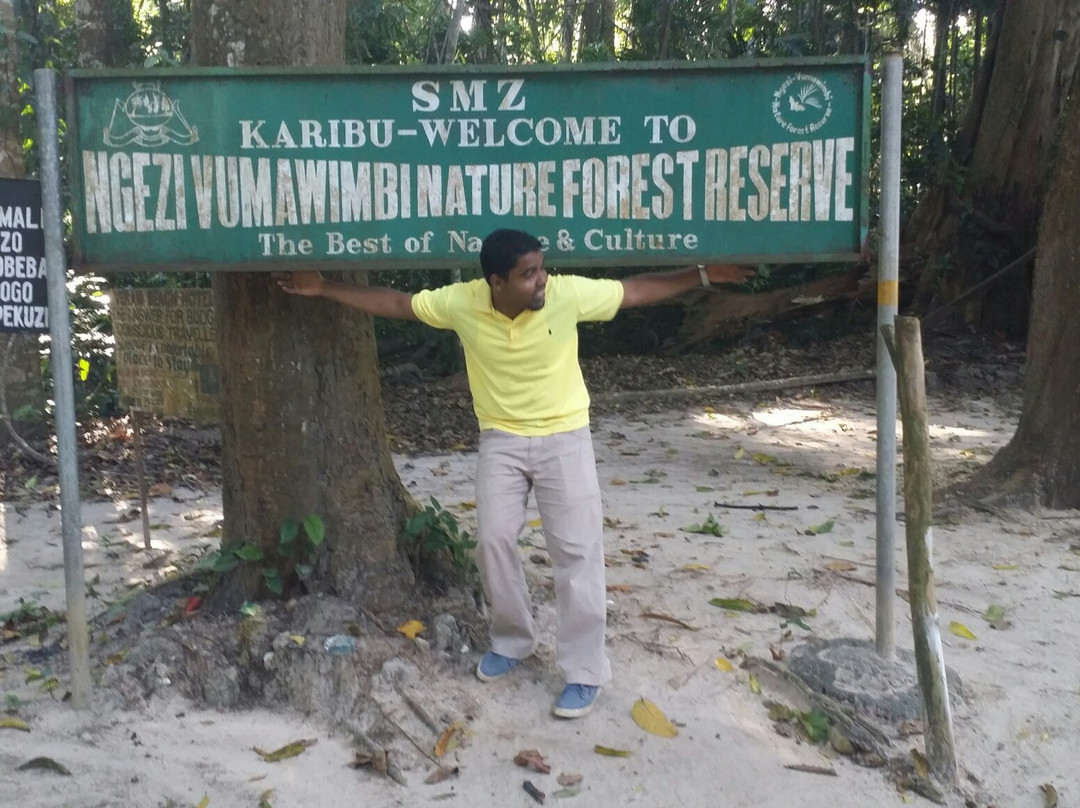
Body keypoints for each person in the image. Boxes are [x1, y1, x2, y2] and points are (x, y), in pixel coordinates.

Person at [274, 229, 753, 718]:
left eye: (541, 268)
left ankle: (585, 671)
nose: (541, 279)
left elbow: (633, 291)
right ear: (496, 282)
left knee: (577, 551)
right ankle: (513, 640)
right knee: (493, 541)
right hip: (501, 439)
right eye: (529, 274)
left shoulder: (564, 294)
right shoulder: (463, 302)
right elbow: (398, 303)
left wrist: (700, 275)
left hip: (565, 436)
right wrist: (324, 287)